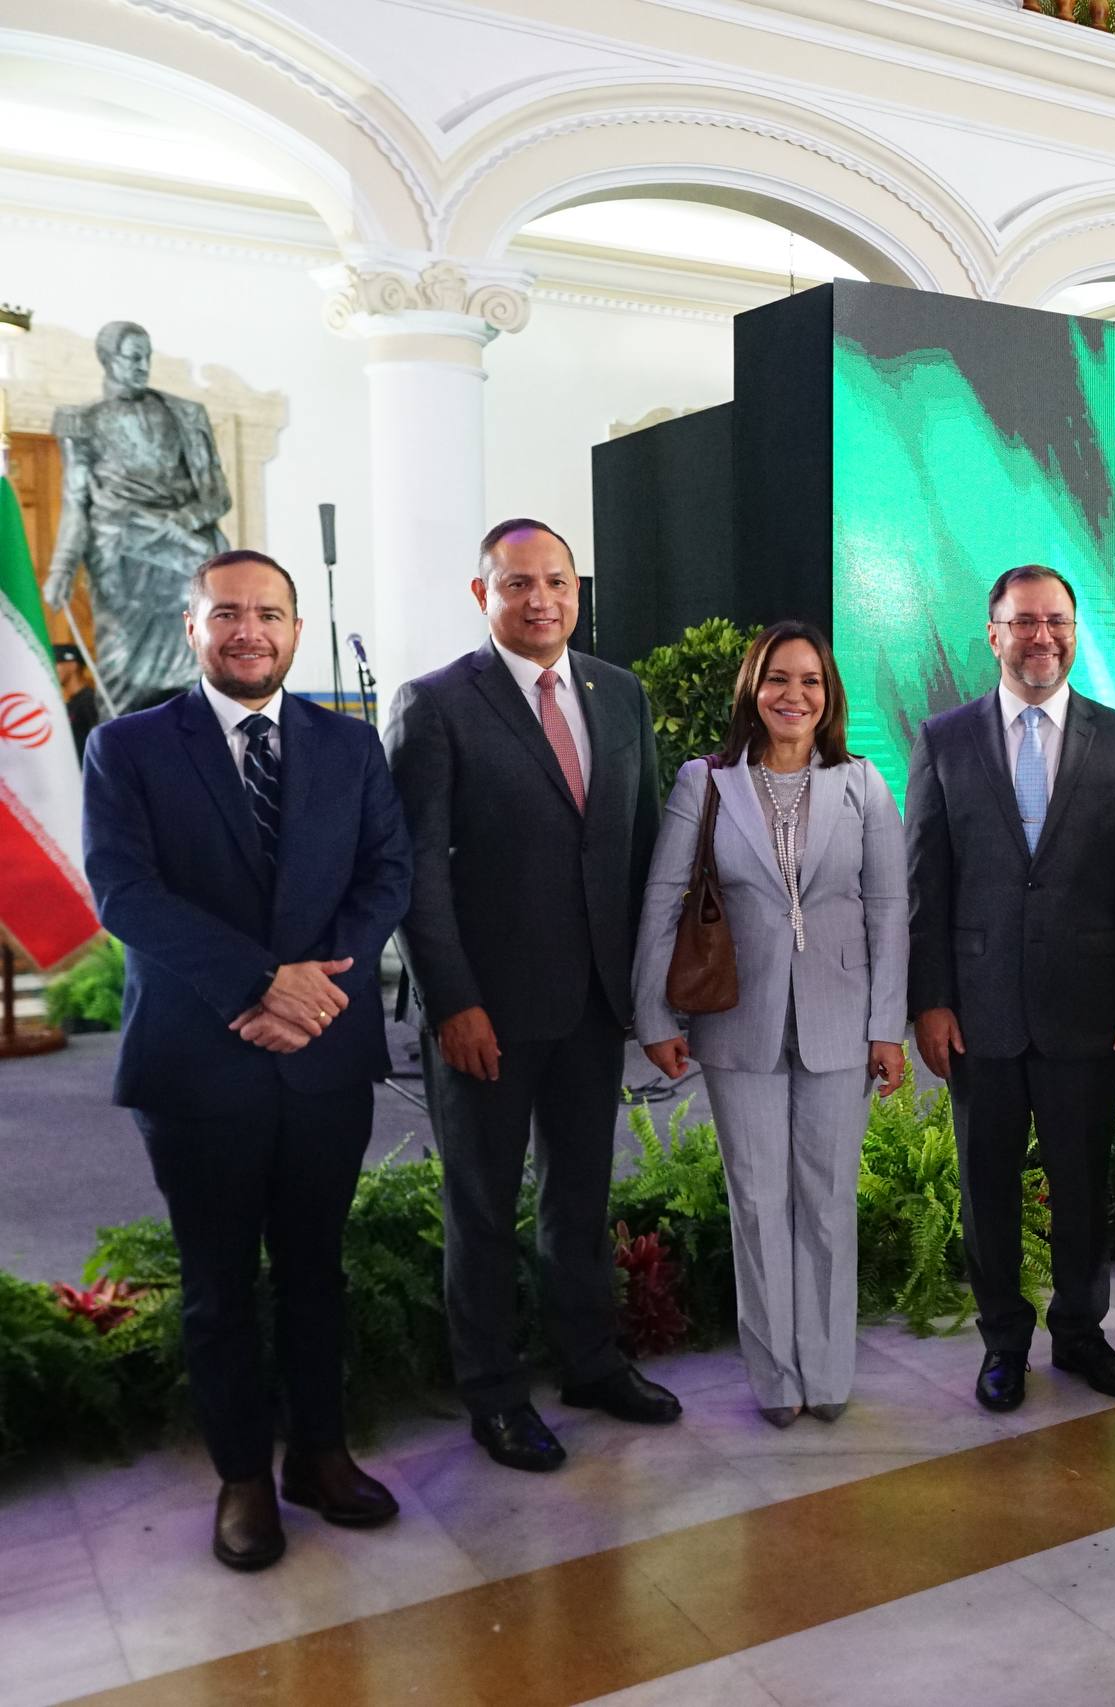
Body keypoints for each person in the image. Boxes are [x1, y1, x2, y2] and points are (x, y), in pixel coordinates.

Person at [81, 549, 411, 1569]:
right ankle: (241, 1480)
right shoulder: (129, 749)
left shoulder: (349, 749)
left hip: (323, 1057)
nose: (249, 630)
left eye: (268, 613)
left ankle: (320, 1454)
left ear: (296, 630)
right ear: (193, 627)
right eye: (227, 613)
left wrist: (315, 996)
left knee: (316, 1269)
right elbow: (126, 895)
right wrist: (258, 985)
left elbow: (386, 874)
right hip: (198, 1063)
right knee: (219, 1281)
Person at [387, 518, 678, 1473]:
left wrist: (648, 991)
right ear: (484, 595)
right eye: (518, 584)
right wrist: (451, 1001)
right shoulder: (434, 705)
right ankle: (495, 1393)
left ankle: (590, 1361)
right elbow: (416, 872)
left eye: (556, 581)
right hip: (487, 1014)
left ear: (577, 591)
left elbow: (640, 855)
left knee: (581, 1197)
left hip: (593, 1005)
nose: (541, 599)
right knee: (480, 1207)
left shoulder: (619, 693)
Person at [906, 564, 1115, 1411]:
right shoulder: (942, 739)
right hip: (978, 1012)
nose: (1041, 637)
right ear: (993, 634)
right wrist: (930, 999)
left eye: (1056, 621)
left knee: (1083, 1184)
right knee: (988, 1189)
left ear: (1074, 628)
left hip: (1089, 1011)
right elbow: (925, 885)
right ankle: (1003, 1343)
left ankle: (1081, 1335)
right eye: (1023, 622)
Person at [632, 621, 908, 1428]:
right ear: (753, 688)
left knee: (826, 1204)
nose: (795, 695)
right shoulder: (705, 782)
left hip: (842, 1023)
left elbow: (891, 911)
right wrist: (653, 1011)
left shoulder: (862, 783)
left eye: (812, 682)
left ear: (830, 698)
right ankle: (776, 1377)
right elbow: (662, 898)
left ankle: (827, 1371)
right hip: (735, 1026)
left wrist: (887, 1023)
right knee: (756, 1201)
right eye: (779, 679)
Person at [43, 321, 233, 715]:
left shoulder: (185, 414)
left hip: (186, 558)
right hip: (122, 563)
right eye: (133, 356)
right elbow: (76, 502)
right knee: (123, 674)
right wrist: (62, 568)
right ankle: (119, 764)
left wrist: (183, 518)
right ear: (108, 359)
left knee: (194, 666)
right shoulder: (81, 422)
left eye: (147, 355)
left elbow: (218, 495)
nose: (142, 364)